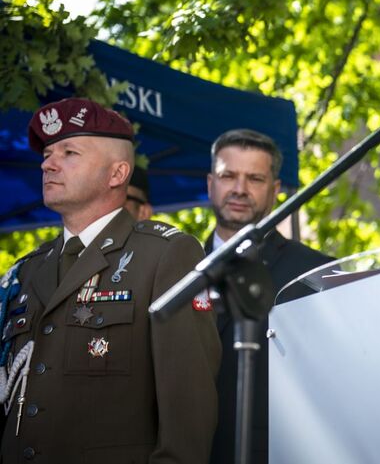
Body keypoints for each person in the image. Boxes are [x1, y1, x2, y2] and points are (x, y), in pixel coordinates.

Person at [0, 97, 220, 462]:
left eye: (69, 153)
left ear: (117, 174)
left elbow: (188, 411)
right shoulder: (26, 271)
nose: (48, 164)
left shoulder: (165, 256)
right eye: (48, 154)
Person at [206, 128, 332, 464]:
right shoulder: (176, 268)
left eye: (255, 178)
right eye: (228, 176)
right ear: (210, 183)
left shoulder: (315, 272)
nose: (239, 189)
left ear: (275, 190)